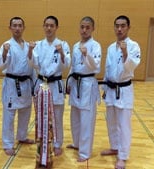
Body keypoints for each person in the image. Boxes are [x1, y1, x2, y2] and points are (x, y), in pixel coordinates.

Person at [100, 15, 141, 169]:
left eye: (123, 26)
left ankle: (123, 156)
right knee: (111, 122)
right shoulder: (111, 47)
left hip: (124, 89)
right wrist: (104, 89)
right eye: (117, 25)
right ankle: (115, 147)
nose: (119, 29)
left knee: (124, 125)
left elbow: (132, 67)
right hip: (110, 89)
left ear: (128, 28)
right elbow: (108, 69)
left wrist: (125, 53)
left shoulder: (134, 46)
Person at [28, 15, 71, 157]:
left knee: (57, 116)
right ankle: (42, 142)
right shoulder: (38, 45)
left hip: (56, 84)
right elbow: (33, 64)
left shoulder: (63, 44)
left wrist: (62, 54)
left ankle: (58, 144)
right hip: (42, 83)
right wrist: (29, 50)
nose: (49, 28)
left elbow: (66, 65)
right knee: (41, 115)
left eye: (52, 25)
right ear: (43, 27)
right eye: (46, 25)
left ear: (56, 27)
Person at [0, 16, 36, 156]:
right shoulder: (6, 45)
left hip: (26, 83)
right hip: (12, 84)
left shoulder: (28, 45)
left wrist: (34, 84)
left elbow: (33, 66)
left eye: (20, 25)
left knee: (25, 111)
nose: (17, 28)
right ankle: (7, 143)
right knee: (9, 114)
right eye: (14, 25)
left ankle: (22, 136)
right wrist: (5, 53)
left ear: (23, 28)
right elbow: (1, 65)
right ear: (10, 28)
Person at [66, 16, 102, 162]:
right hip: (75, 83)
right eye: (82, 27)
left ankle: (85, 152)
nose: (84, 30)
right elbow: (73, 66)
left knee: (86, 119)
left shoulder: (95, 46)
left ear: (93, 29)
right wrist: (68, 82)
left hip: (87, 83)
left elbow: (96, 66)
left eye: (87, 27)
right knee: (74, 117)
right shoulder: (75, 46)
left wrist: (87, 54)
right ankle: (77, 143)